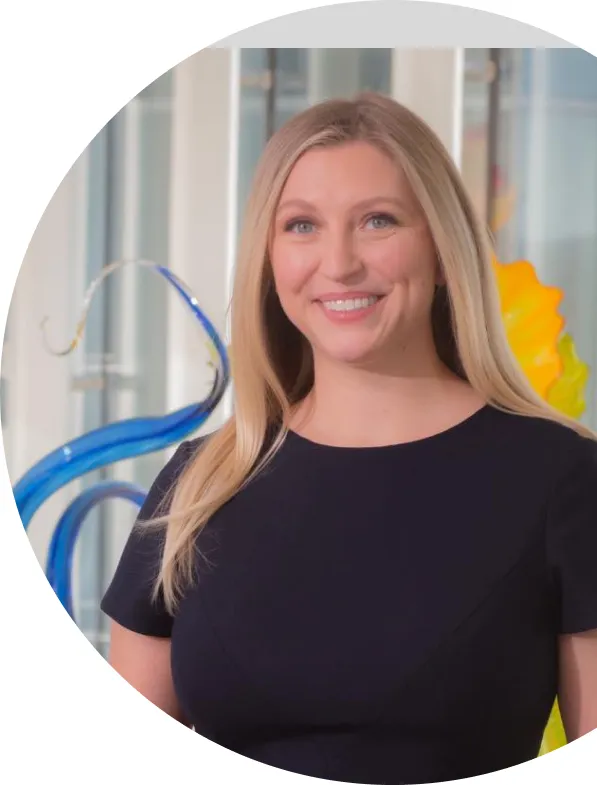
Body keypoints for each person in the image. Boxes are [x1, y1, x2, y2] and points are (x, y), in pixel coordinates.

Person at [100, 92, 597, 785]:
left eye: (377, 221)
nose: (338, 262)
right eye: (301, 225)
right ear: (269, 263)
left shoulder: (562, 478)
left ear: (445, 248)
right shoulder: (200, 483)